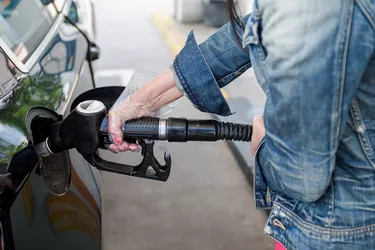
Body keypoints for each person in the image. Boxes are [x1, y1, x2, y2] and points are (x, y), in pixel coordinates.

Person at [108, 0, 375, 249]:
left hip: (340, 230)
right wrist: (142, 102)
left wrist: (262, 144)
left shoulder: (308, 9)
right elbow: (252, 29)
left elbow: (301, 177)